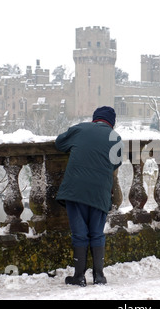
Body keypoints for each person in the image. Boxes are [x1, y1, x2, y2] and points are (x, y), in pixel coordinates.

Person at [55, 106, 123, 286]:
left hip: (75, 190)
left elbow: (59, 143)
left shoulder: (80, 128)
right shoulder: (115, 138)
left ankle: (79, 277)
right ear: (112, 124)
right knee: (96, 233)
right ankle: (99, 276)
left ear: (95, 118)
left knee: (80, 233)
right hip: (100, 192)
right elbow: (116, 163)